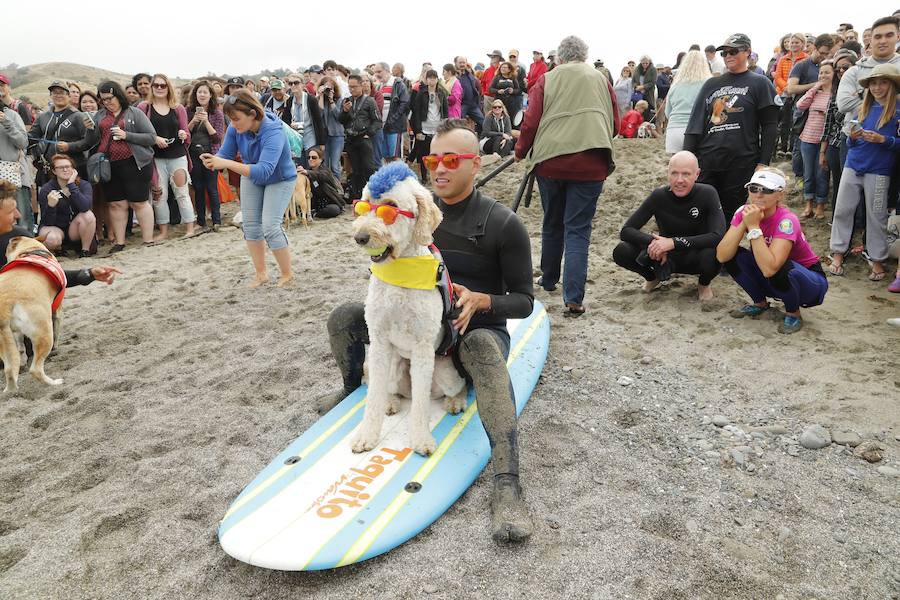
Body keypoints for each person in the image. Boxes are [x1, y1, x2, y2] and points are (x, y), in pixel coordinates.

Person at [317, 119, 535, 544]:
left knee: (485, 352)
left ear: (476, 165)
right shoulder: (408, 207)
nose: (439, 168)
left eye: (451, 160)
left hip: (473, 329)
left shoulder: (502, 222)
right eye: (433, 159)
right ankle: (352, 388)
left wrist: (483, 300)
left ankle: (507, 483)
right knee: (344, 317)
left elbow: (526, 301)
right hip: (416, 324)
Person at [516, 35, 620, 316]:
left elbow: (530, 122)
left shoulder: (547, 78)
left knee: (552, 221)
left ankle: (549, 279)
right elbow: (615, 123)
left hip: (551, 161)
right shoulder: (600, 78)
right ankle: (573, 297)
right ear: (584, 56)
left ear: (558, 58)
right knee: (578, 229)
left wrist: (520, 150)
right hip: (591, 162)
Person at [201, 90, 296, 288]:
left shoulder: (273, 130)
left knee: (270, 226)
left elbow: (264, 171)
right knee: (251, 226)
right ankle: (261, 274)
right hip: (251, 175)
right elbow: (225, 154)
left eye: (236, 119)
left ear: (253, 114)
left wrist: (225, 163)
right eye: (230, 119)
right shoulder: (236, 129)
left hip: (279, 178)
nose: (233, 124)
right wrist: (212, 159)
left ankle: (287, 274)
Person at [716, 168, 827, 334]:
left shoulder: (787, 220)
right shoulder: (744, 212)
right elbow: (721, 255)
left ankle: (793, 312)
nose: (758, 195)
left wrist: (753, 226)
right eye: (754, 189)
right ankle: (759, 303)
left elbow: (770, 268)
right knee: (733, 256)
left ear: (780, 195)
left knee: (778, 265)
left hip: (809, 282)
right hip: (774, 275)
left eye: (766, 190)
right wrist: (745, 223)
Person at [683, 33, 779, 218]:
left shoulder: (760, 82)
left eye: (733, 51)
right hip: (708, 158)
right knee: (700, 211)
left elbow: (770, 124)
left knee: (730, 213)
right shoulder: (711, 84)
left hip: (741, 161)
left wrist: (763, 162)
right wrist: (687, 158)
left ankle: (725, 247)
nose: (728, 56)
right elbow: (695, 123)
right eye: (724, 53)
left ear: (747, 52)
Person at [613, 151, 725, 300]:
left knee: (717, 253)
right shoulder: (659, 195)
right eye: (674, 173)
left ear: (697, 174)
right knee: (621, 250)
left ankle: (703, 284)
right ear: (668, 173)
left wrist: (673, 242)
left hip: (695, 255)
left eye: (686, 174)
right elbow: (626, 231)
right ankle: (652, 278)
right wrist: (655, 244)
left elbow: (718, 235)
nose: (679, 180)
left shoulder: (708, 193)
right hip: (664, 258)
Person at [828, 64, 900, 281]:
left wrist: (883, 140)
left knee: (876, 216)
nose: (877, 87)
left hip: (879, 170)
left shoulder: (897, 111)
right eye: (873, 83)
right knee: (842, 210)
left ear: (892, 84)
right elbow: (850, 141)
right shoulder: (862, 108)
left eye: (883, 82)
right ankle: (838, 253)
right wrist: (853, 137)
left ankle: (877, 259)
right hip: (853, 165)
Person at [91, 81, 157, 252]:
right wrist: (88, 131)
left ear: (119, 96)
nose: (107, 102)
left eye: (109, 98)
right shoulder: (99, 116)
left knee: (139, 202)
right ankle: (120, 242)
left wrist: (126, 135)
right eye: (103, 99)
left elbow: (151, 137)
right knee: (116, 204)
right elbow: (91, 141)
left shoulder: (135, 113)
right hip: (109, 165)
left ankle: (148, 240)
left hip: (135, 163)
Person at [143, 73, 199, 240]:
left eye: (163, 85)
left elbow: (186, 133)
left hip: (177, 155)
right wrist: (155, 139)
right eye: (156, 85)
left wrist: (183, 134)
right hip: (156, 158)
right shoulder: (144, 108)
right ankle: (163, 231)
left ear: (169, 88)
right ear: (152, 88)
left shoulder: (178, 108)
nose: (160, 88)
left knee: (182, 192)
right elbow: (139, 133)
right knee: (160, 195)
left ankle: (190, 227)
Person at [29, 80, 98, 188]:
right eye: (55, 92)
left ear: (68, 95)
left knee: (74, 202)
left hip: (74, 169)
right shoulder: (43, 117)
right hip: (50, 169)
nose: (58, 95)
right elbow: (32, 138)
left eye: (61, 92)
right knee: (50, 202)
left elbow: (89, 142)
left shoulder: (78, 116)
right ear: (50, 95)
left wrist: (69, 146)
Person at [820, 49, 859, 214]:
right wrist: (823, 151)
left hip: (858, 140)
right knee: (839, 185)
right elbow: (827, 124)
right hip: (835, 145)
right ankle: (837, 218)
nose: (841, 71)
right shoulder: (835, 94)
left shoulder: (867, 86)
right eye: (838, 69)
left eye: (845, 67)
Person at [795, 60, 835, 218]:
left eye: (827, 72)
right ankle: (808, 203)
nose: (823, 75)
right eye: (821, 72)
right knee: (808, 174)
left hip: (825, 140)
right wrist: (815, 87)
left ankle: (821, 205)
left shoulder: (836, 94)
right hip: (807, 138)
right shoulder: (815, 92)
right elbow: (800, 105)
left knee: (822, 174)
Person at [36, 154, 96, 256]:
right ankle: (57, 249)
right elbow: (47, 222)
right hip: (56, 228)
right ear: (54, 171)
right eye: (60, 167)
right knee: (52, 239)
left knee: (88, 215)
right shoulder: (47, 189)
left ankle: (84, 251)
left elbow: (85, 207)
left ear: (73, 169)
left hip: (75, 229)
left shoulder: (83, 185)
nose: (65, 170)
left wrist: (71, 185)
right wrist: (51, 206)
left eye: (68, 167)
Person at [186, 80, 226, 231]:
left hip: (211, 154)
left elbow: (217, 138)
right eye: (199, 92)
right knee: (198, 188)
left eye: (205, 92)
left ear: (210, 95)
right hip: (193, 154)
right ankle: (201, 221)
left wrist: (206, 121)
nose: (202, 95)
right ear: (195, 95)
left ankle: (217, 220)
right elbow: (184, 135)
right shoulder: (188, 111)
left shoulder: (217, 113)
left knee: (212, 188)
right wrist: (192, 122)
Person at [339, 75, 381, 201]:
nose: (351, 89)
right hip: (351, 139)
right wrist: (345, 111)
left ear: (361, 85)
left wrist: (370, 133)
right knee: (356, 170)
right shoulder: (346, 100)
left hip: (364, 137)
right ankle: (358, 195)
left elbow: (377, 121)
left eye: (354, 86)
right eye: (349, 87)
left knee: (369, 167)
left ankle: (375, 194)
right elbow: (341, 120)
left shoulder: (369, 101)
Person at [664, 50, 712, 153]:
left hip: (674, 129)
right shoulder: (708, 84)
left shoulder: (675, 86)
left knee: (677, 166)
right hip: (696, 129)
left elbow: (667, 113)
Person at [0, 78, 32, 231]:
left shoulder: (11, 115)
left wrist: (7, 123)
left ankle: (26, 251)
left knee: (21, 218)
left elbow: (23, 143)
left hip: (14, 174)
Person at [410, 69, 448, 182]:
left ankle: (436, 174)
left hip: (438, 127)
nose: (432, 80)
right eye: (430, 78)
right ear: (426, 80)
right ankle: (424, 177)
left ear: (437, 79)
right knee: (423, 153)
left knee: (437, 153)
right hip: (424, 126)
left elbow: (445, 111)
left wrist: (445, 126)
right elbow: (416, 112)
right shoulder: (421, 93)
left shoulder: (441, 93)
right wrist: (417, 130)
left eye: (434, 78)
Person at [284, 74, 325, 168]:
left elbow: (319, 121)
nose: (293, 85)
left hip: (310, 138)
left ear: (303, 84)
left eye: (296, 83)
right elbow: (285, 120)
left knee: (311, 167)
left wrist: (322, 142)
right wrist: (290, 125)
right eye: (291, 83)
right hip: (296, 139)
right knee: (299, 167)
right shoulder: (289, 100)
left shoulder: (311, 100)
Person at [373, 62, 410, 163]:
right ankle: (390, 177)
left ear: (387, 70)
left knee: (395, 155)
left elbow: (405, 103)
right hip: (382, 126)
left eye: (379, 71)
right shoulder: (379, 86)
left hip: (395, 126)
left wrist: (393, 118)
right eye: (375, 72)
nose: (377, 74)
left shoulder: (398, 83)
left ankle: (400, 177)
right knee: (386, 156)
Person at [296, 146, 343, 218]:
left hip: (329, 202)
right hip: (314, 203)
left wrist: (307, 172)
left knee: (334, 210)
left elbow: (321, 175)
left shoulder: (326, 171)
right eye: (309, 157)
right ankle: (311, 212)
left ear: (321, 159)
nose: (311, 159)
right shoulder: (307, 172)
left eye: (314, 157)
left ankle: (315, 214)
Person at [316, 76, 345, 181]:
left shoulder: (339, 100)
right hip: (324, 137)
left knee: (334, 165)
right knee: (326, 165)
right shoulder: (319, 99)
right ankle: (329, 187)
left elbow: (339, 116)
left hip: (337, 135)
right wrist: (321, 97)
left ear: (334, 88)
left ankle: (338, 189)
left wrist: (331, 100)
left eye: (330, 87)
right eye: (325, 87)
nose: (328, 89)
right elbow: (319, 114)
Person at [455, 56, 484, 134]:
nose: (462, 64)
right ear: (456, 63)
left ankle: (482, 139)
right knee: (460, 125)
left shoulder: (469, 74)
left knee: (483, 121)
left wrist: (477, 102)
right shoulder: (454, 76)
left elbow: (477, 89)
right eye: (460, 62)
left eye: (463, 62)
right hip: (461, 105)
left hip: (472, 104)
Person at [489, 62, 523, 126]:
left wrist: (513, 91)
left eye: (505, 67)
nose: (503, 69)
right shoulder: (497, 78)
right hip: (499, 102)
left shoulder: (513, 78)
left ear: (509, 69)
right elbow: (490, 89)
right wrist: (498, 91)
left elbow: (518, 90)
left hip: (511, 103)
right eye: (502, 67)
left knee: (509, 118)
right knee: (498, 117)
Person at [482, 50, 503, 115]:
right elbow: (483, 83)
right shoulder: (487, 70)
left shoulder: (502, 69)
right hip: (488, 97)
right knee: (488, 115)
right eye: (492, 57)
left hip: (499, 96)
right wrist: (484, 93)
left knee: (499, 115)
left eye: (494, 57)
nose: (492, 58)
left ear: (499, 58)